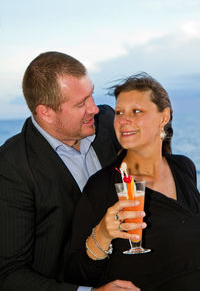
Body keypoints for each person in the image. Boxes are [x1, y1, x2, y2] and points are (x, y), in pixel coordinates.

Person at [0, 52, 141, 291]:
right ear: (46, 112)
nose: (95, 108)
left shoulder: (108, 121)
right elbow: (9, 275)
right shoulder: (11, 167)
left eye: (91, 95)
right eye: (80, 104)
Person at [67, 73, 200, 291]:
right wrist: (102, 234)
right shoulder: (102, 186)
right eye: (119, 112)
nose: (123, 120)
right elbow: (75, 272)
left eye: (136, 111)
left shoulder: (183, 168)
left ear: (164, 117)